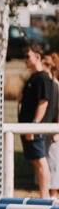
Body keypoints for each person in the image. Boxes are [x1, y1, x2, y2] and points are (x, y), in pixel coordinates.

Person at [18, 44, 58, 199]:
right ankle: (44, 195)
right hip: (29, 127)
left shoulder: (42, 77)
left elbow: (44, 102)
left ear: (38, 57)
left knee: (40, 161)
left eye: (28, 56)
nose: (25, 60)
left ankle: (45, 196)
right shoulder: (34, 77)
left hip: (34, 128)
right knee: (37, 161)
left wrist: (33, 126)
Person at [45, 53, 59, 199]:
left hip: (54, 129)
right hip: (46, 127)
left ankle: (53, 194)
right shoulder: (47, 84)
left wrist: (57, 131)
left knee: (54, 162)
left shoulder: (56, 85)